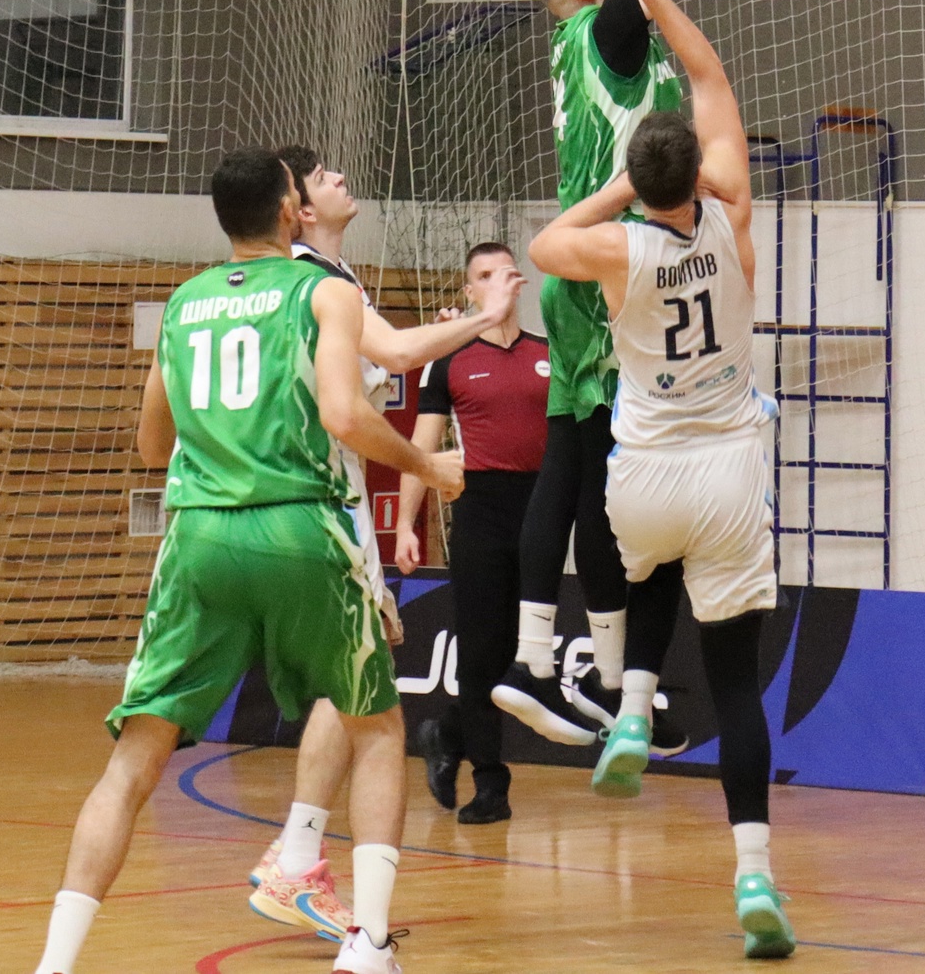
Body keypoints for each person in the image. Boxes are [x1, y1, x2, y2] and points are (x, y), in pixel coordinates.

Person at [33, 149, 447, 974]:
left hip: (200, 535)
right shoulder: (324, 291)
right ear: (291, 210)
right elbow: (345, 414)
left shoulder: (183, 304)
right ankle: (368, 944)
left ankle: (55, 964)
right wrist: (428, 466)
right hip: (300, 524)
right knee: (374, 726)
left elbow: (152, 444)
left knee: (134, 758)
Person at [531, 0, 794, 960]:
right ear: (704, 175)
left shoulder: (617, 252)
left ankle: (632, 705)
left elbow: (547, 244)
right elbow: (706, 73)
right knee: (734, 684)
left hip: (642, 472)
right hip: (728, 470)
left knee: (642, 570)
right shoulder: (734, 219)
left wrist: (614, 188)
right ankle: (753, 876)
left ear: (643, 183)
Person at [242, 148, 487, 940]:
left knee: (347, 676)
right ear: (300, 208)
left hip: (291, 502)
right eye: (323, 177)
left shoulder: (318, 277)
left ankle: (296, 854)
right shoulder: (316, 281)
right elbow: (398, 356)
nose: (342, 177)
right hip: (316, 500)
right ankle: (305, 866)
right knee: (366, 694)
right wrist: (485, 317)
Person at [503, 0, 702, 747]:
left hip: (578, 270)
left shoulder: (582, 34)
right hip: (616, 274)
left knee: (578, 473)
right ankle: (616, 681)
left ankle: (548, 666)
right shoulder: (616, 33)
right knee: (622, 485)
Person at [393, 241, 549, 824]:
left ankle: (448, 730)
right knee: (481, 651)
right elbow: (421, 448)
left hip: (540, 510)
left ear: (519, 282)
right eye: (483, 275)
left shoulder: (550, 353)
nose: (495, 282)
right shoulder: (450, 359)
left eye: (505, 272)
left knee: (515, 654)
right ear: (469, 291)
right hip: (479, 509)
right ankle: (490, 784)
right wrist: (405, 524)